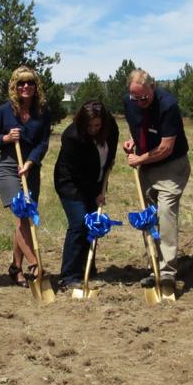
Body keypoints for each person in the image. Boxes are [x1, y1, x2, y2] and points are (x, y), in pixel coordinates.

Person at [123, 68, 190, 294]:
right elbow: (137, 127)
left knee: (165, 213)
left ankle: (168, 272)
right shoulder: (130, 101)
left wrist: (139, 157)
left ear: (152, 87)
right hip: (147, 168)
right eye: (135, 97)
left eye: (144, 97)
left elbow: (165, 147)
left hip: (172, 165)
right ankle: (154, 266)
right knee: (149, 216)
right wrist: (132, 141)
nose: (140, 101)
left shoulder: (167, 105)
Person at [0, 66, 53, 287]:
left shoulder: (42, 113)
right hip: (8, 167)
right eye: (21, 84)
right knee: (20, 215)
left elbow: (43, 142)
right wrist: (6, 137)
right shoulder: (5, 111)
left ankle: (15, 268)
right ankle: (35, 264)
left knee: (24, 219)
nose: (26, 87)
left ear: (36, 87)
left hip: (30, 168)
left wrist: (30, 162)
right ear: (14, 87)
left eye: (30, 83)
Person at [53, 100, 118, 290]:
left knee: (93, 224)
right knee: (80, 223)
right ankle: (69, 275)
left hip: (95, 181)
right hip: (71, 184)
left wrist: (102, 185)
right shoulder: (72, 137)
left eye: (97, 125)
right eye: (89, 125)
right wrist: (95, 194)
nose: (93, 129)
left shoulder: (110, 127)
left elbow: (111, 148)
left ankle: (87, 267)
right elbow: (77, 173)